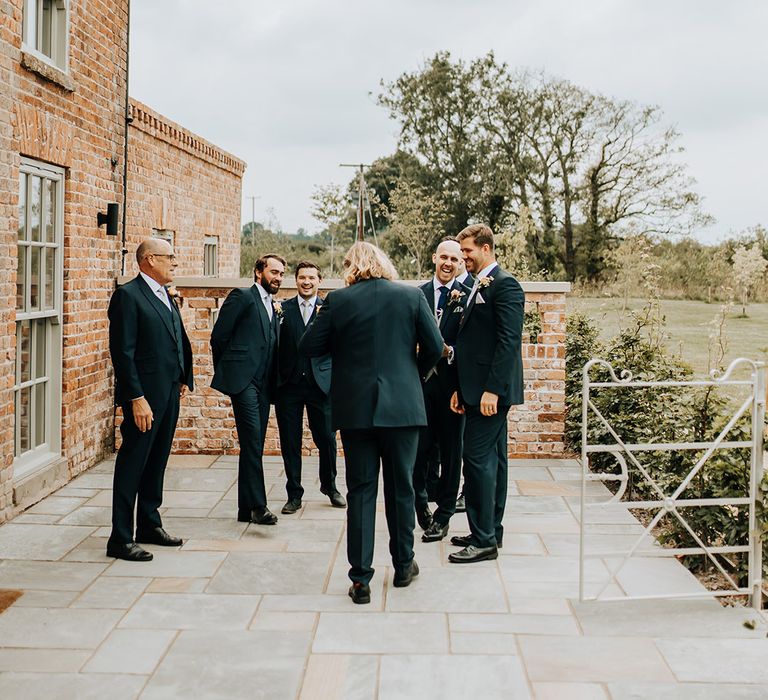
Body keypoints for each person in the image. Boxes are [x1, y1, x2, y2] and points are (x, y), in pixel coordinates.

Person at [299, 242, 444, 604]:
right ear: (384, 263)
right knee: (402, 489)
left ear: (351, 267)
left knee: (361, 491)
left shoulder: (338, 301)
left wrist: (344, 366)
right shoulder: (411, 297)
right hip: (403, 408)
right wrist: (415, 374)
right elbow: (436, 345)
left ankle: (360, 579)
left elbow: (309, 345)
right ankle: (403, 565)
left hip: (355, 410)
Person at [106, 237, 193, 562]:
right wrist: (136, 398)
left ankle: (149, 524)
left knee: (157, 460)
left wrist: (183, 376)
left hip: (169, 391)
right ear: (148, 260)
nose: (175, 261)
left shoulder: (164, 294)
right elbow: (123, 353)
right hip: (143, 398)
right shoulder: (128, 296)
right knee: (133, 462)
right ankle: (120, 537)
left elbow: (173, 337)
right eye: (169, 256)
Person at [449, 224, 525, 564]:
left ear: (486, 248)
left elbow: (508, 342)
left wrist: (492, 390)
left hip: (491, 392)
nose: (463, 257)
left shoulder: (505, 286)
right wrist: (458, 388)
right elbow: (468, 340)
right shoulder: (475, 284)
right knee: (494, 460)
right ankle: (489, 529)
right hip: (473, 388)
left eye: (467, 251)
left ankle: (483, 541)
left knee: (476, 460)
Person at [210, 254, 285, 525]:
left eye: (280, 274)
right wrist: (231, 372)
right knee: (253, 441)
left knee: (254, 444)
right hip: (244, 383)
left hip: (264, 385)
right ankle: (258, 506)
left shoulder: (274, 305)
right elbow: (219, 337)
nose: (277, 277)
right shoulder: (241, 296)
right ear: (258, 272)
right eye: (273, 272)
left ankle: (245, 508)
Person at [275, 262, 345, 514]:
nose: (307, 282)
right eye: (302, 277)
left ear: (320, 280)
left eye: (311, 278)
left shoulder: (330, 308)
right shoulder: (282, 308)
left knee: (326, 438)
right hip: (289, 385)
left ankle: (330, 485)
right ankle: (294, 494)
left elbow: (340, 345)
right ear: (295, 280)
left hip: (321, 384)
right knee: (290, 441)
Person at [415, 239, 471, 543]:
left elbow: (471, 342)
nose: (448, 263)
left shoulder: (466, 295)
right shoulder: (417, 294)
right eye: (444, 257)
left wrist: (450, 352)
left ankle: (444, 513)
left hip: (452, 386)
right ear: (434, 257)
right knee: (419, 449)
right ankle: (420, 503)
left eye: (455, 258)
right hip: (420, 384)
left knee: (452, 452)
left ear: (460, 262)